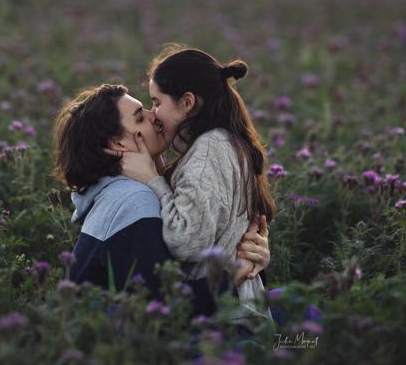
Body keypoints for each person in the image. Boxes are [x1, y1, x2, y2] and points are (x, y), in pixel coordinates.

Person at [53, 84, 269, 316]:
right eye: (140, 118)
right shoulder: (133, 200)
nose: (153, 116)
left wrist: (253, 258)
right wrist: (237, 275)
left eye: (149, 107)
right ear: (118, 144)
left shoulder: (127, 190)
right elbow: (169, 305)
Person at [111, 45, 276, 328]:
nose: (153, 114)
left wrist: (152, 180)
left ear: (187, 103)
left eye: (157, 102)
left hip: (227, 321)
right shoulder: (220, 143)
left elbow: (186, 241)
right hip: (231, 309)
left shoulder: (210, 149)